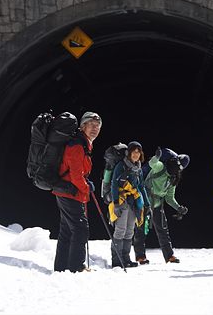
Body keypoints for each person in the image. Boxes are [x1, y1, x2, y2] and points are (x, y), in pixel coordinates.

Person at [53, 111, 101, 273]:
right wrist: (87, 188)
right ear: (83, 126)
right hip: (70, 192)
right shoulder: (77, 145)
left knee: (67, 230)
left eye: (97, 126)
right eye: (91, 125)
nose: (95, 129)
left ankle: (61, 267)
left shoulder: (83, 144)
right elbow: (75, 174)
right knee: (80, 229)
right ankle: (76, 266)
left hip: (68, 191)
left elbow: (78, 173)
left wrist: (86, 184)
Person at [133, 147, 189, 264]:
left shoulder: (173, 179)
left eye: (179, 167)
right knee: (141, 228)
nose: (176, 167)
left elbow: (169, 198)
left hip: (158, 204)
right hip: (145, 201)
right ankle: (140, 256)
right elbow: (153, 163)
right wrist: (157, 157)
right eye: (176, 163)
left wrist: (178, 207)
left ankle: (169, 256)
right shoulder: (161, 167)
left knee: (163, 230)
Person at [109, 141, 150, 268]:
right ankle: (117, 260)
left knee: (129, 231)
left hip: (134, 203)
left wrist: (146, 204)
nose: (136, 154)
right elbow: (114, 184)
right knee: (120, 230)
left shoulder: (138, 168)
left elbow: (141, 186)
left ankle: (126, 259)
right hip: (122, 201)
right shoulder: (121, 166)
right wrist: (116, 203)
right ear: (129, 153)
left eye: (138, 152)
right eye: (134, 151)